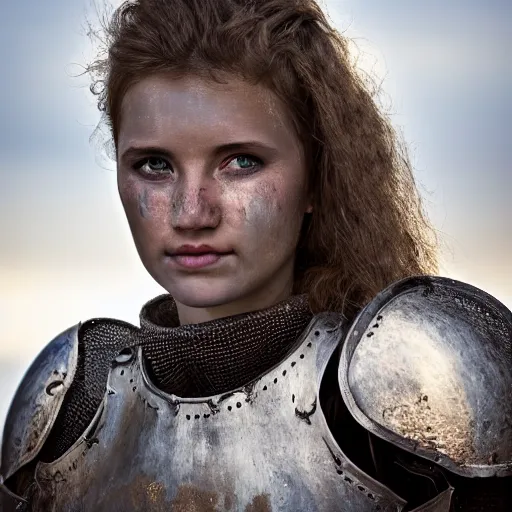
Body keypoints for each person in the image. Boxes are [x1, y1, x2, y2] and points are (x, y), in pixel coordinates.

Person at [0, 0, 510, 510]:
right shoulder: (65, 407)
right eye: (155, 165)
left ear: (315, 178)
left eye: (241, 162)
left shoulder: (421, 397)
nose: (191, 212)